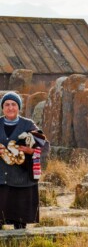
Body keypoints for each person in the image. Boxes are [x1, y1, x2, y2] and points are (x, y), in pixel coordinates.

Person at [0, 91, 48, 229]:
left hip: (22, 181)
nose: (10, 107)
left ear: (19, 107)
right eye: (7, 104)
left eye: (14, 104)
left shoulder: (28, 125)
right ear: (2, 107)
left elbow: (45, 146)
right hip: (1, 180)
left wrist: (31, 151)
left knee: (20, 223)